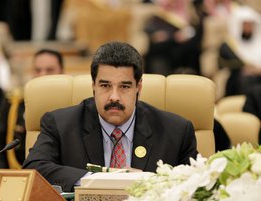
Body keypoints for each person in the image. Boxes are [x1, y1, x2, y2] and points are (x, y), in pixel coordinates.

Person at [23, 41, 198, 192]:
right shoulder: (61, 125)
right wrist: (97, 180)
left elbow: (197, 183)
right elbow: (33, 169)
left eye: (125, 86)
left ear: (139, 87)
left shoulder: (176, 131)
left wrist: (149, 181)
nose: (114, 96)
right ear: (93, 86)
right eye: (105, 85)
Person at [0, 49, 64, 169]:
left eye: (50, 70)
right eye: (37, 70)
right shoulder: (14, 102)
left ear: (62, 72)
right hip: (14, 173)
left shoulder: (70, 103)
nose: (42, 75)